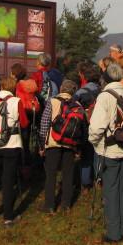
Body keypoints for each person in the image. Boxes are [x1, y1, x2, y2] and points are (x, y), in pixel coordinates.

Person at [88, 63, 123, 243]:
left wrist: (94, 142)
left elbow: (96, 128)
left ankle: (113, 233)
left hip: (110, 150)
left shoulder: (105, 96)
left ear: (106, 78)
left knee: (110, 191)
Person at [0, 76, 29, 226]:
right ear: (13, 88)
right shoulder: (16, 101)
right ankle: (8, 217)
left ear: (1, 87)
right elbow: (24, 123)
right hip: (11, 145)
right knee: (8, 181)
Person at [39, 79, 81, 213]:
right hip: (70, 144)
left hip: (53, 142)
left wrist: (42, 144)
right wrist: (78, 147)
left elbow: (44, 123)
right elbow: (81, 128)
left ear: (61, 88)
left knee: (51, 174)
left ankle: (49, 205)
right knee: (68, 174)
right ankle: (66, 204)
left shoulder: (52, 101)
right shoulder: (77, 105)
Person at [73, 63, 102, 190]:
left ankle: (85, 183)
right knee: (98, 153)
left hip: (86, 126)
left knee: (86, 154)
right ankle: (99, 179)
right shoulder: (103, 91)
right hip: (100, 125)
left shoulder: (80, 92)